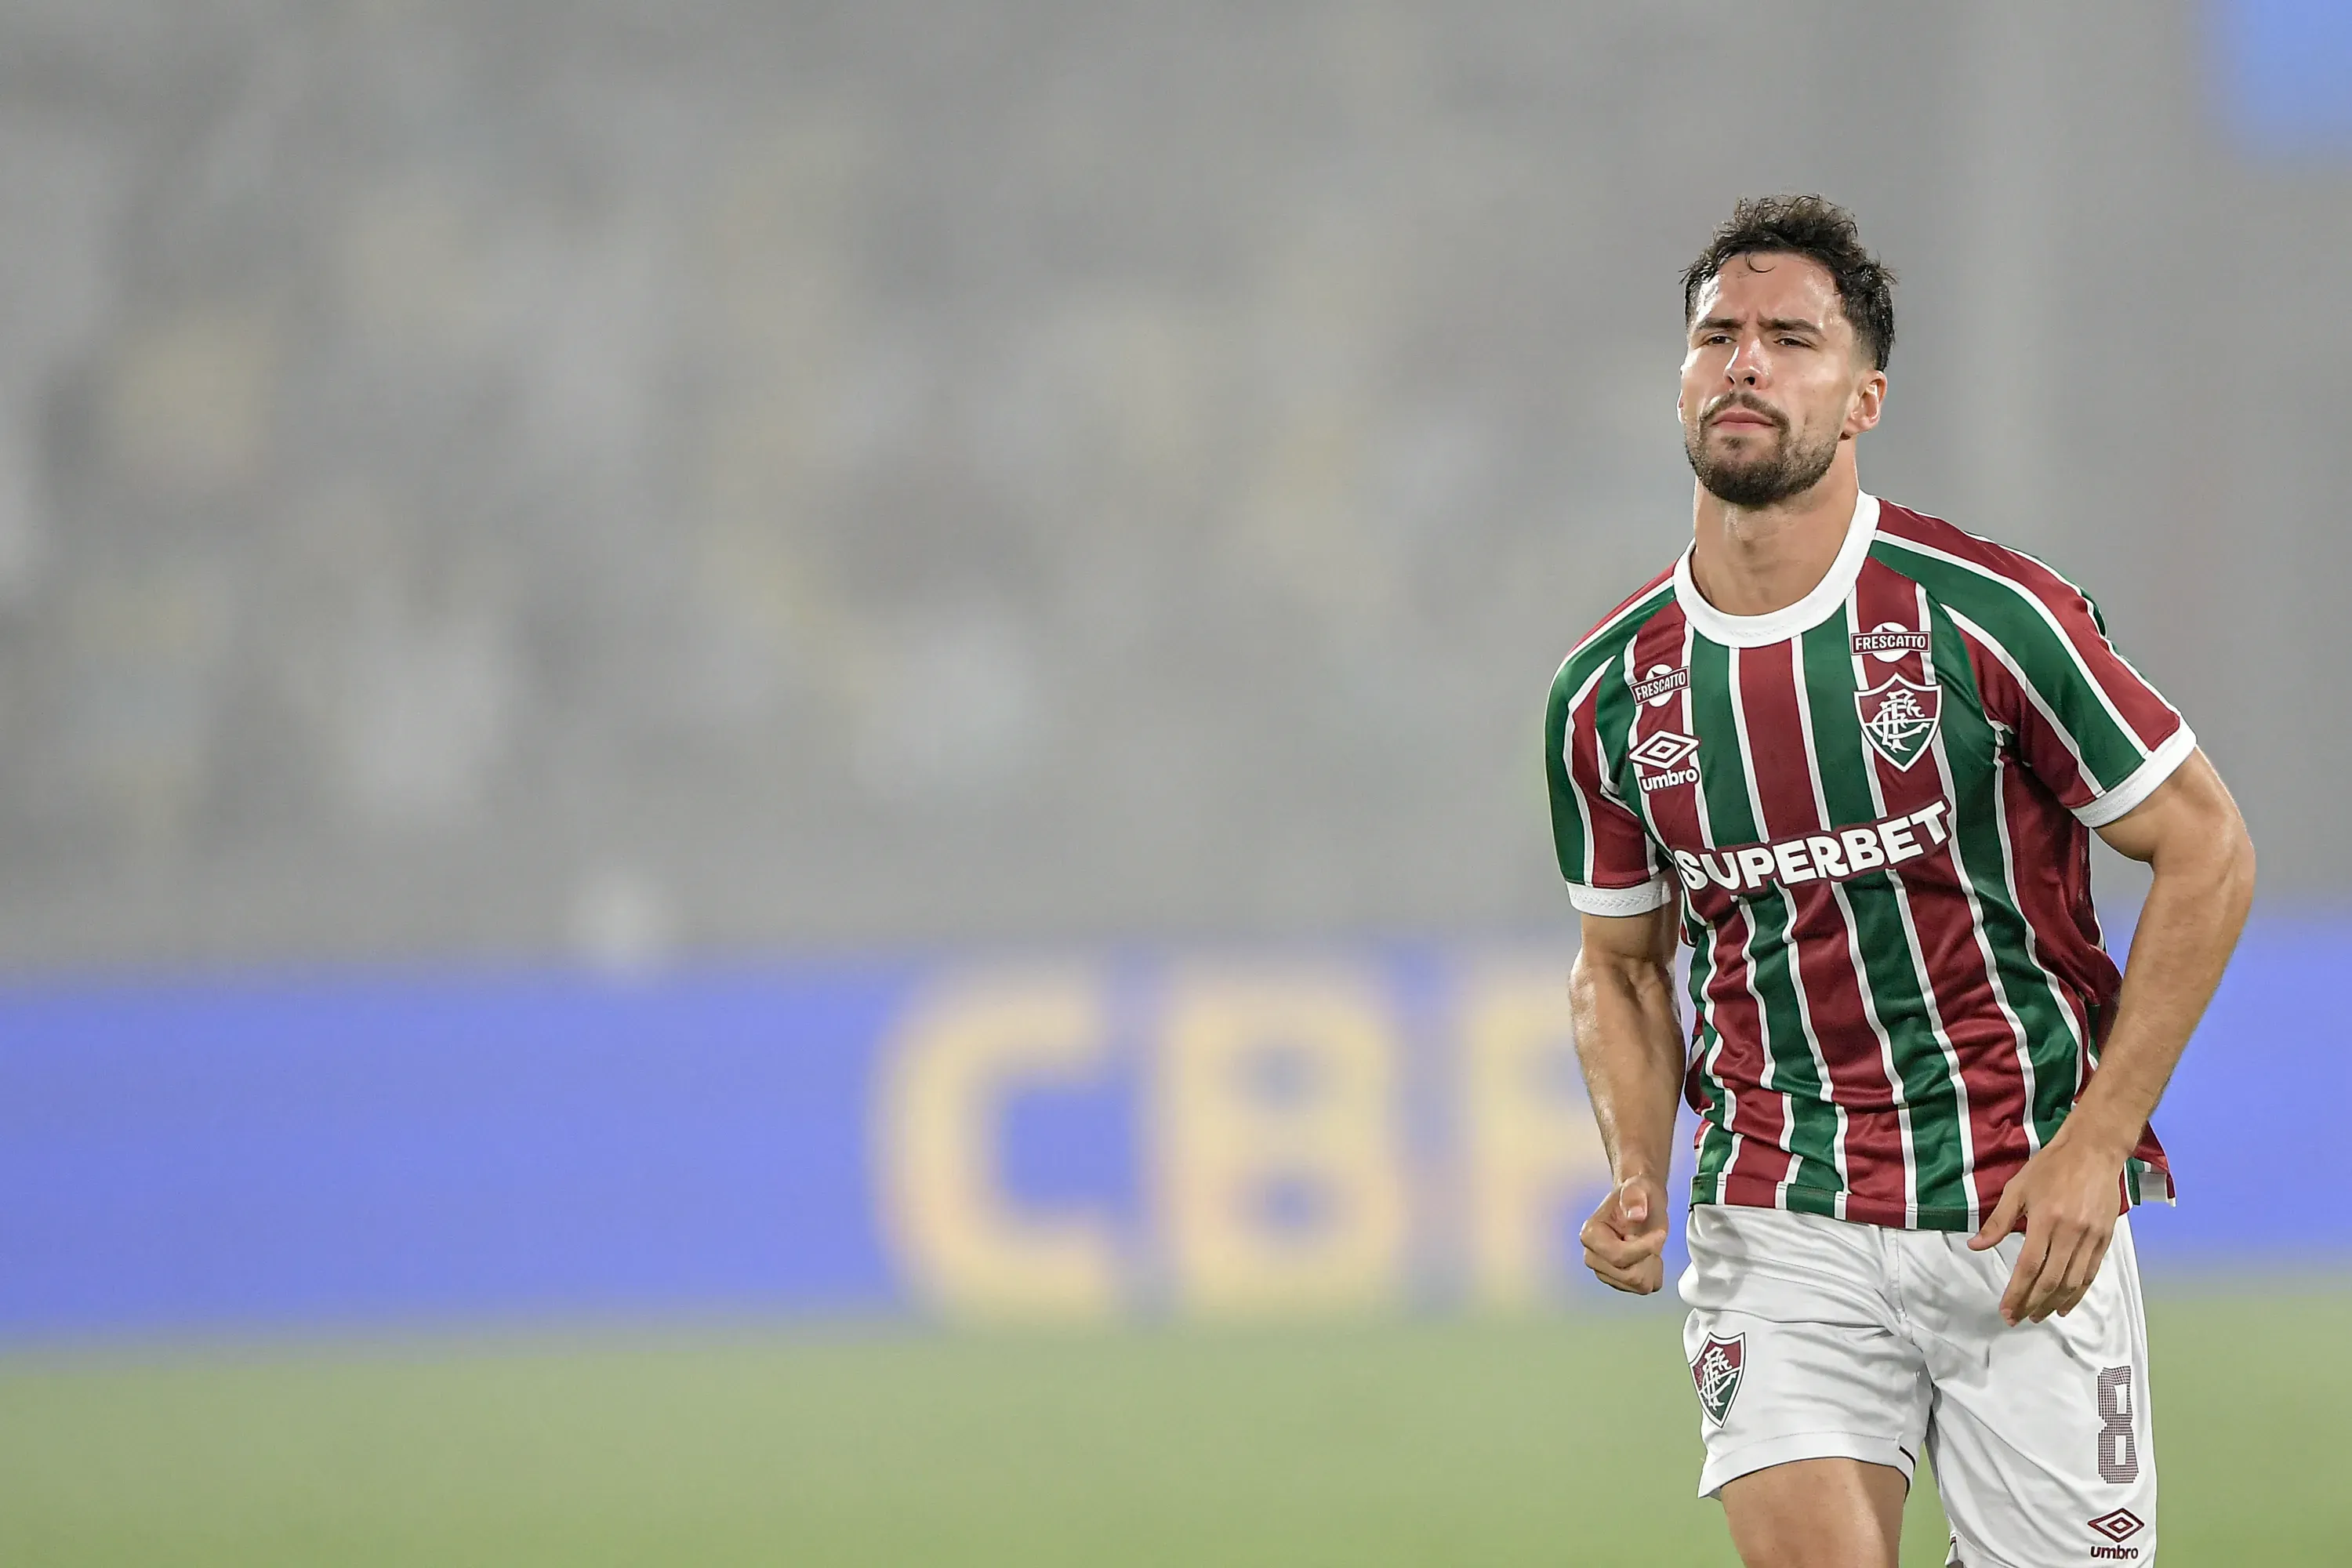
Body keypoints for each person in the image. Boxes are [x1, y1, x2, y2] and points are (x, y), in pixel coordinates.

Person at [1544, 194, 2255, 1568]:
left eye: (1790, 339)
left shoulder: (1987, 614)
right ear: (1681, 377)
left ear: (1864, 398)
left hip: (2018, 1210)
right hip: (1779, 1207)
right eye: (1717, 336)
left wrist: (2100, 1141)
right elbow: (1620, 965)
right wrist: (1637, 1168)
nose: (1745, 363)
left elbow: (2207, 849)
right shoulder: (1608, 689)